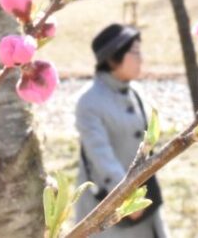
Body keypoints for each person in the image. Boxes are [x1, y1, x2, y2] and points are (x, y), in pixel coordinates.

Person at [75, 24, 169, 237]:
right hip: (110, 204)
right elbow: (100, 155)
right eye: (134, 52)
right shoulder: (89, 101)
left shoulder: (136, 92)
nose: (141, 58)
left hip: (142, 198)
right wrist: (125, 196)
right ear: (113, 58)